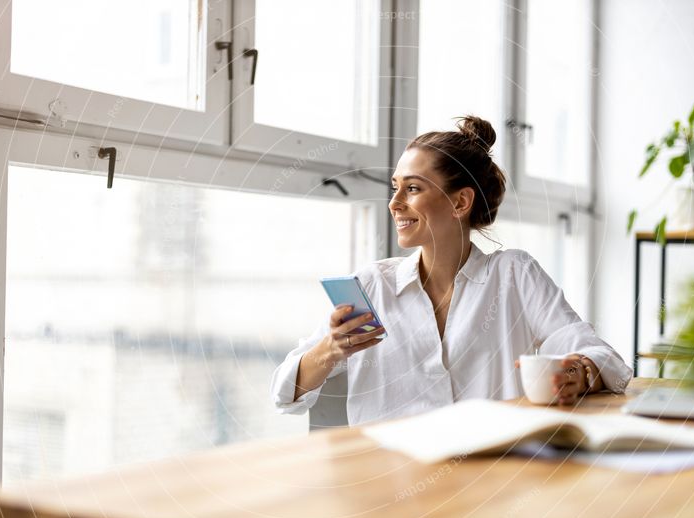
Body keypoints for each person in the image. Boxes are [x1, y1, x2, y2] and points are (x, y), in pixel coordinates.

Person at [270, 116, 632, 426]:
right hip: (389, 484)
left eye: (412, 188)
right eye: (395, 188)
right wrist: (330, 349)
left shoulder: (513, 275)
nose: (395, 203)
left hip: (489, 480)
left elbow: (602, 356)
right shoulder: (372, 286)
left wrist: (579, 372)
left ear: (460, 202)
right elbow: (284, 391)